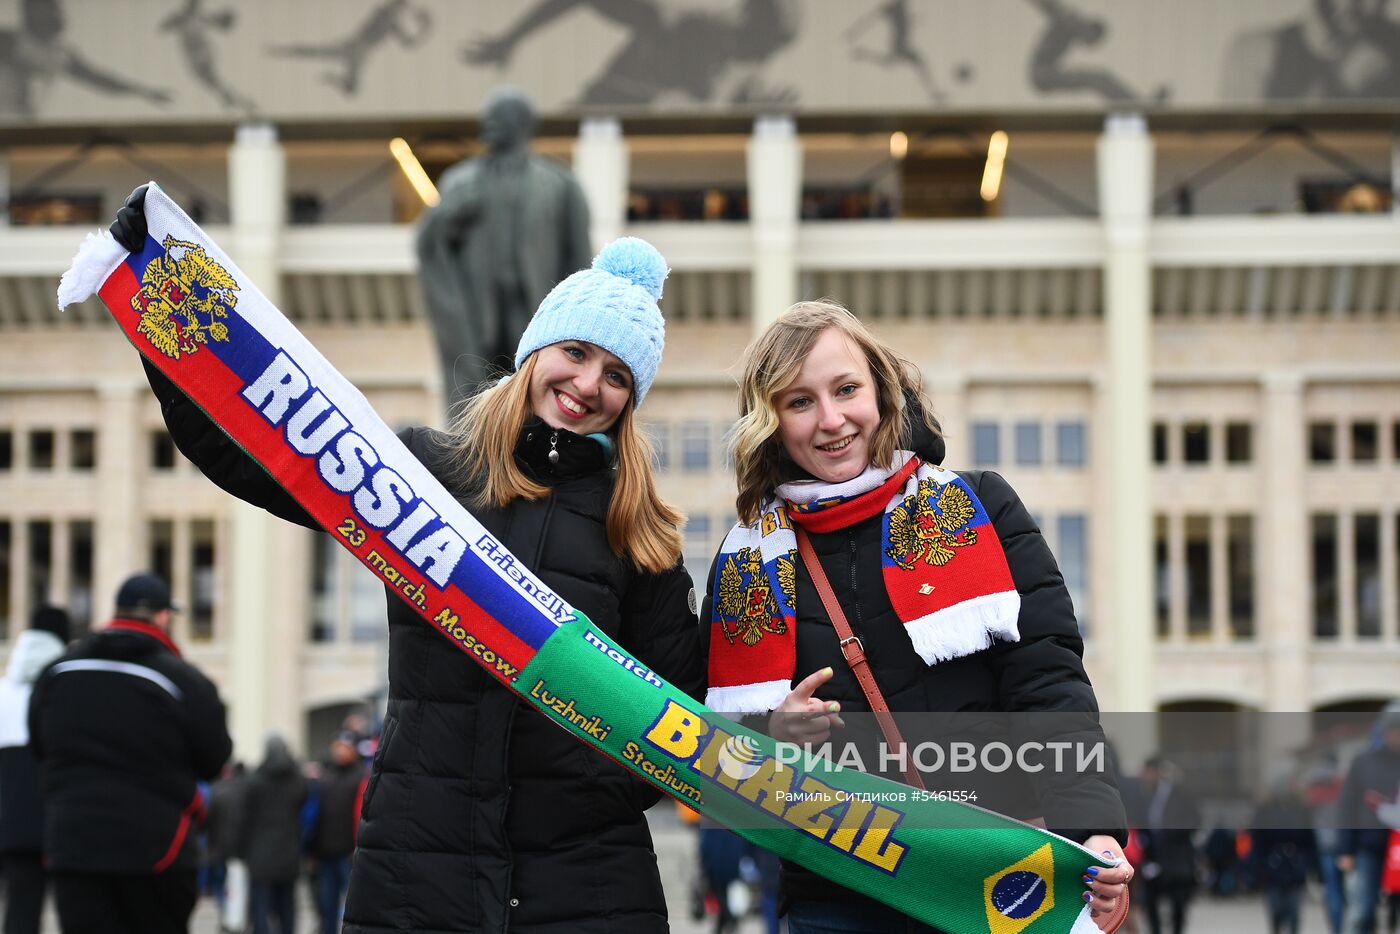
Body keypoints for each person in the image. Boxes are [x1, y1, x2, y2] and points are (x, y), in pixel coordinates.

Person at [108, 188, 703, 934]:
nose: (588, 385)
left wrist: (593, 789)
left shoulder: (640, 531)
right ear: (535, 354)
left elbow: (681, 710)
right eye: (576, 353)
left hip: (585, 879)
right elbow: (258, 455)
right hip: (420, 865)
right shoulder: (427, 472)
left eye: (617, 375)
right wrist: (160, 323)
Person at [703, 300, 1131, 933]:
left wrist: (1091, 830)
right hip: (834, 894)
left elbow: (1048, 683)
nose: (831, 420)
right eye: (799, 402)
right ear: (769, 423)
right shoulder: (747, 562)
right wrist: (772, 730)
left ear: (881, 389)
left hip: (992, 878)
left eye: (846, 389)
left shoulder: (978, 504)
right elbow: (710, 750)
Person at [27, 572, 232, 934]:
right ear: (163, 617)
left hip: (73, 844)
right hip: (156, 850)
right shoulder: (183, 680)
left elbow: (39, 747)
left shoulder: (58, 672)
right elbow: (214, 758)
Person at [415, 88, 592, 412]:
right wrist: (446, 216)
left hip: (537, 306)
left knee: (535, 387)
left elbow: (580, 259)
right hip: (478, 309)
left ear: (522, 124)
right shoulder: (460, 182)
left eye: (499, 117)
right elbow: (429, 242)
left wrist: (575, 324)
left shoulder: (561, 185)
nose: (489, 124)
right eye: (487, 118)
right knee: (475, 397)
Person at [0, 605, 69, 934]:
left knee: (20, 910)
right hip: (58, 820)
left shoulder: (3, 690)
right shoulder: (65, 687)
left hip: (10, 821)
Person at [1338, 711, 1400, 934]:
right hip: (1369, 846)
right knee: (1362, 910)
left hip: (1398, 848)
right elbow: (1348, 807)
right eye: (1393, 732)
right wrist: (1346, 849)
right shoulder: (1363, 763)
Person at [241, 734, 308, 934]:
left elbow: (245, 817)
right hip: (289, 854)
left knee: (261, 910)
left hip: (260, 856)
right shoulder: (296, 780)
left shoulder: (255, 780)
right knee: (287, 909)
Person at [307, 732, 365, 934]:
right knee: (327, 905)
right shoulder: (325, 779)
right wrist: (312, 849)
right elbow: (315, 817)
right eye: (338, 746)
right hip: (326, 852)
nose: (341, 751)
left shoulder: (360, 778)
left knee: (353, 905)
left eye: (346, 747)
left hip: (349, 853)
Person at [1136, 757, 1201, 934]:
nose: (1144, 777)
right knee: (1150, 903)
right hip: (1152, 858)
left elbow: (1194, 822)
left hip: (1177, 860)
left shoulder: (1182, 795)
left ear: (1157, 772)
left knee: (1178, 905)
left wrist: (1169, 834)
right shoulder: (1144, 796)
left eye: (1147, 773)